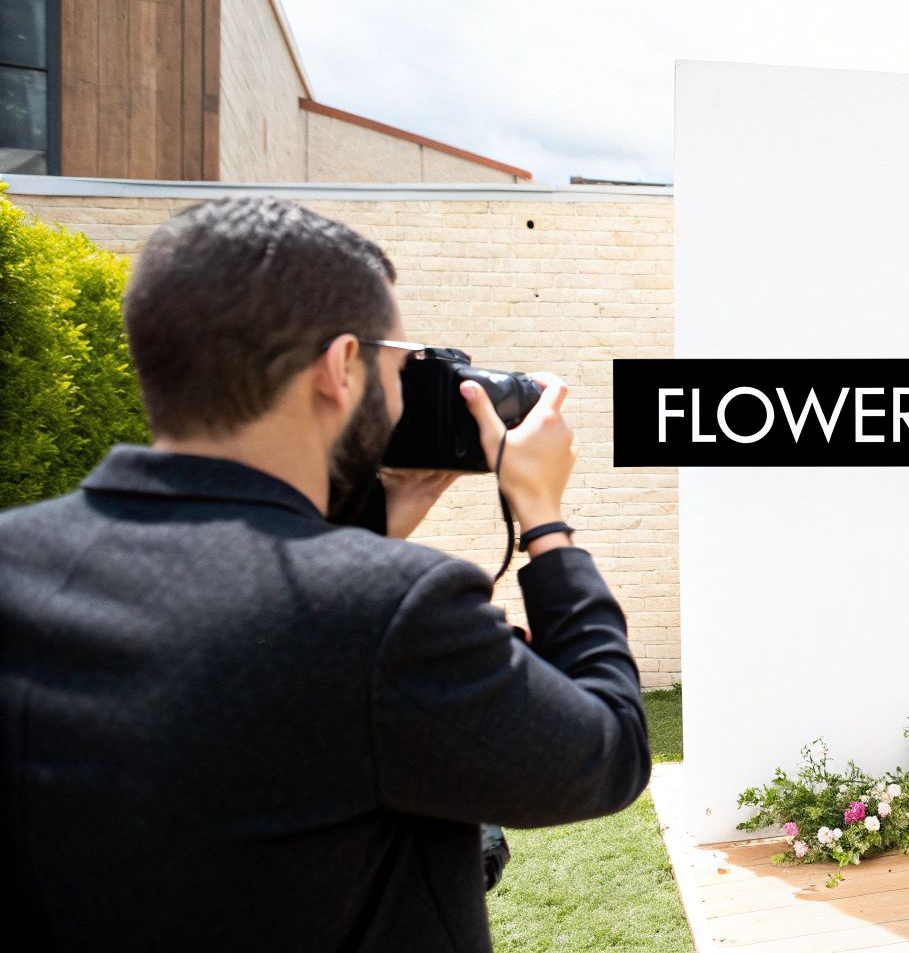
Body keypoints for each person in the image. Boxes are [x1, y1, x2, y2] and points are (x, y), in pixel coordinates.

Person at [0, 197, 651, 949]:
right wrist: (543, 519)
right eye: (405, 366)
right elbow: (607, 753)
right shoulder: (388, 611)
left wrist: (364, 533)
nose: (406, 391)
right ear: (341, 367)